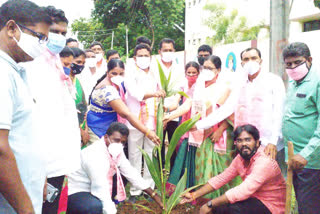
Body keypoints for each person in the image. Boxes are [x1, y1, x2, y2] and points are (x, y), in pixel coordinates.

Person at [22, 6, 81, 214]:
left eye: (63, 33)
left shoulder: (57, 63)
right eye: (54, 31)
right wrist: (41, 168)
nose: (59, 37)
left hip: (57, 158)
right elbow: (34, 118)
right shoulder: (32, 64)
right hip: (42, 163)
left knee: (52, 207)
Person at [164, 56, 240, 199]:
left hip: (218, 136)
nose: (206, 71)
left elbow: (229, 112)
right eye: (204, 68)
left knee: (219, 170)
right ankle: (203, 198)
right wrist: (169, 115)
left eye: (210, 68)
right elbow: (187, 105)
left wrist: (219, 130)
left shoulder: (225, 87)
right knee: (201, 168)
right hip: (200, 133)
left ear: (218, 70)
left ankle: (221, 199)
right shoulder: (198, 86)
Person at [0, 1, 51, 213]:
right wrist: (25, 207)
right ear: (11, 28)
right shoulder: (2, 73)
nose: (43, 45)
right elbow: (0, 148)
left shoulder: (17, 71)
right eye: (39, 37)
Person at [195, 48, 286, 163]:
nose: (250, 62)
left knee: (271, 178)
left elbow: (279, 113)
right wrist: (199, 125)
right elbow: (227, 109)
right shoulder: (239, 83)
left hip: (267, 143)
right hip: (245, 143)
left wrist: (273, 142)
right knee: (248, 178)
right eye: (246, 59)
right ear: (242, 63)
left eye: (254, 58)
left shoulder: (273, 81)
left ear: (261, 61)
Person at [181, 124, 286, 214]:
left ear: (257, 142)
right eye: (240, 140)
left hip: (271, 206)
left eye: (248, 140)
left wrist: (209, 204)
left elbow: (243, 190)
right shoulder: (241, 158)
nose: (244, 144)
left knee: (233, 211)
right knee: (219, 209)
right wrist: (194, 195)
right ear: (236, 143)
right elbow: (221, 178)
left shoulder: (264, 162)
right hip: (253, 199)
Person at [67, 122, 163, 214]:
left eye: (123, 142)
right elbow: (100, 188)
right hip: (78, 190)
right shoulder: (94, 155)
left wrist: (154, 195)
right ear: (106, 137)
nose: (119, 144)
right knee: (94, 206)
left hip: (95, 186)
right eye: (116, 140)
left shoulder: (116, 152)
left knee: (121, 177)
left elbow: (131, 173)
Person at [86, 58, 160, 146]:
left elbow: (137, 93)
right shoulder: (108, 90)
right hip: (97, 127)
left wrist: (154, 94)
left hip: (108, 125)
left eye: (121, 73)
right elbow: (126, 113)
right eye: (114, 73)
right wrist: (147, 132)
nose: (117, 76)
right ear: (107, 72)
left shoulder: (118, 84)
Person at [124, 44, 166, 200]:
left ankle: (150, 188)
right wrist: (155, 94)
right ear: (135, 58)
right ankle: (135, 190)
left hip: (153, 120)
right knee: (134, 155)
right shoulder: (130, 73)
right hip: (135, 120)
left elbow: (164, 91)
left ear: (151, 57)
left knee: (151, 154)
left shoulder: (155, 72)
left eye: (146, 55)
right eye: (140, 55)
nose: (143, 58)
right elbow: (135, 93)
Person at [282, 42, 320, 213]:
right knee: (302, 206)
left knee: (309, 208)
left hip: (311, 162)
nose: (293, 67)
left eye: (297, 62)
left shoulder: (317, 82)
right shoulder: (294, 82)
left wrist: (305, 154)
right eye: (288, 64)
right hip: (295, 160)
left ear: (309, 60)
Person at [163, 61, 200, 192]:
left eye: (194, 73)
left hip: (195, 123)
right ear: (185, 73)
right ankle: (180, 185)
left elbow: (187, 106)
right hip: (183, 121)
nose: (191, 75)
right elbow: (175, 103)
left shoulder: (199, 87)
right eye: (188, 73)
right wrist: (166, 108)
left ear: (198, 73)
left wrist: (169, 116)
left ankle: (188, 186)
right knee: (181, 151)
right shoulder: (183, 86)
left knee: (188, 152)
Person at [154, 38, 185, 169]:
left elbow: (181, 89)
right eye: (165, 50)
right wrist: (161, 111)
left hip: (174, 111)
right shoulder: (154, 67)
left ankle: (172, 174)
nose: (167, 52)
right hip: (157, 110)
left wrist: (175, 103)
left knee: (173, 143)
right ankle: (159, 172)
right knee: (158, 143)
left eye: (170, 50)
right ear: (159, 51)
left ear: (174, 51)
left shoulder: (179, 68)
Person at [60, 47, 89, 145]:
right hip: (67, 128)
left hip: (81, 127)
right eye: (78, 62)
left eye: (83, 63)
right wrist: (80, 130)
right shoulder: (62, 81)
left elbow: (84, 106)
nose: (81, 66)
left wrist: (85, 130)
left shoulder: (77, 81)